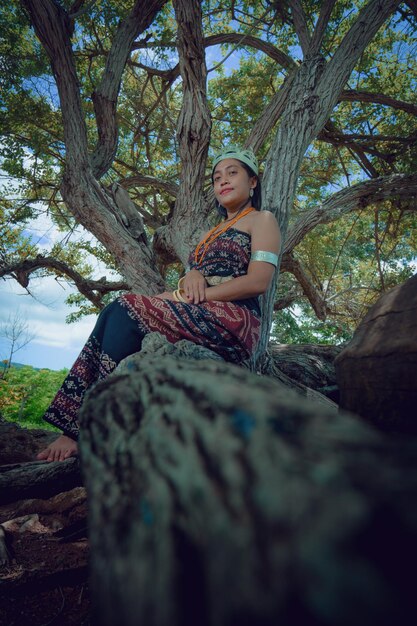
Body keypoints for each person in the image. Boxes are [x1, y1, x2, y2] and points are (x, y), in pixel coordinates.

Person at [37, 146, 281, 462]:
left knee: (126, 308)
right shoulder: (211, 233)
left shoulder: (262, 220)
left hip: (236, 320)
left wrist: (191, 294)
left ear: (252, 182)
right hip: (201, 311)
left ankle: (80, 428)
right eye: (217, 177)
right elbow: (196, 278)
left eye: (232, 173)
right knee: (116, 309)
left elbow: (258, 281)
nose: (222, 181)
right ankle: (81, 422)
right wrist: (189, 276)